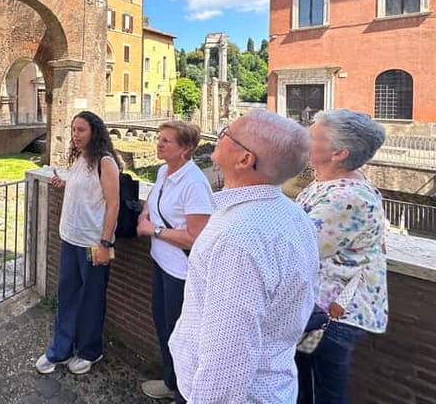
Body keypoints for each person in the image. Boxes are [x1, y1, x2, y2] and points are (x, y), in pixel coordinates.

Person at [169, 110, 319, 403]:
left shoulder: (239, 237)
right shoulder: (293, 215)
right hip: (272, 386)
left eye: (227, 132)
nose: (219, 134)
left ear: (244, 159)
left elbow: (228, 354)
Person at [295, 109, 387, 404]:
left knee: (320, 393)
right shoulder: (328, 183)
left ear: (338, 153)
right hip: (323, 307)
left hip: (333, 315)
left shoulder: (347, 199)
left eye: (313, 137)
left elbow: (298, 250)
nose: (304, 140)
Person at [35, 110, 120, 376]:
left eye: (81, 130)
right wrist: (66, 183)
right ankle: (60, 350)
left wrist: (105, 243)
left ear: (95, 131)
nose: (75, 135)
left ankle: (89, 351)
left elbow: (113, 203)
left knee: (92, 300)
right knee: (67, 296)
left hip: (93, 242)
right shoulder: (82, 159)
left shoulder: (106, 162)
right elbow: (84, 188)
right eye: (73, 130)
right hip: (69, 238)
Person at [136, 121, 213, 401]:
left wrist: (153, 230)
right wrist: (145, 215)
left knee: (179, 334)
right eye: (160, 139)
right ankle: (171, 382)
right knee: (163, 325)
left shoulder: (194, 184)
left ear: (186, 149)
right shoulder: (164, 171)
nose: (159, 144)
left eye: (166, 141)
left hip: (181, 273)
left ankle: (183, 392)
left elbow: (196, 238)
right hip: (161, 262)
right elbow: (153, 201)